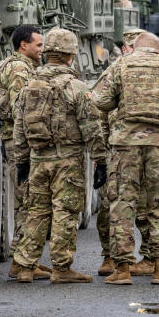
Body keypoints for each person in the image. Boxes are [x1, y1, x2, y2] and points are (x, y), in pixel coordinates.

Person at [90, 31, 159, 285]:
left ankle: (122, 269)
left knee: (122, 204)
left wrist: (121, 103)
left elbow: (99, 99)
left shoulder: (120, 65)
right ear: (157, 50)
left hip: (125, 144)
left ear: (136, 48)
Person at [10, 28, 108, 283]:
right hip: (68, 160)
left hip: (37, 159)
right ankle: (62, 268)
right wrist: (101, 160)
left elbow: (18, 126)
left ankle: (24, 266)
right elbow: (91, 127)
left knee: (36, 211)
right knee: (65, 211)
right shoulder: (76, 86)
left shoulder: (31, 84)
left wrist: (21, 160)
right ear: (70, 55)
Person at [0, 25, 48, 279]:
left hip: (15, 139)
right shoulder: (18, 69)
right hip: (18, 142)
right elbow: (19, 108)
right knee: (28, 199)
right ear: (23, 45)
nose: (41, 50)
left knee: (27, 198)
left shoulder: (16, 65)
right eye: (38, 45)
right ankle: (22, 262)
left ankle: (26, 259)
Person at [94, 27, 151, 277]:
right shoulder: (115, 71)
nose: (128, 51)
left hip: (148, 147)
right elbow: (99, 108)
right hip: (118, 146)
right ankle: (110, 256)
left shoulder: (157, 69)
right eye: (127, 47)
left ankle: (149, 256)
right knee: (111, 204)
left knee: (148, 205)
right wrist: (103, 147)